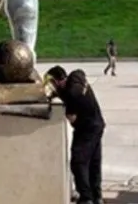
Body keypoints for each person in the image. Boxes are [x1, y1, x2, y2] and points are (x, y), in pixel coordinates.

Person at [46, 66, 105, 204]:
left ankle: (86, 198)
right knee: (93, 163)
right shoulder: (77, 76)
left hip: (86, 129)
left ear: (57, 81)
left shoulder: (70, 95)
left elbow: (72, 118)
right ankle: (97, 196)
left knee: (78, 162)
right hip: (97, 124)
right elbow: (79, 80)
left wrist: (59, 95)